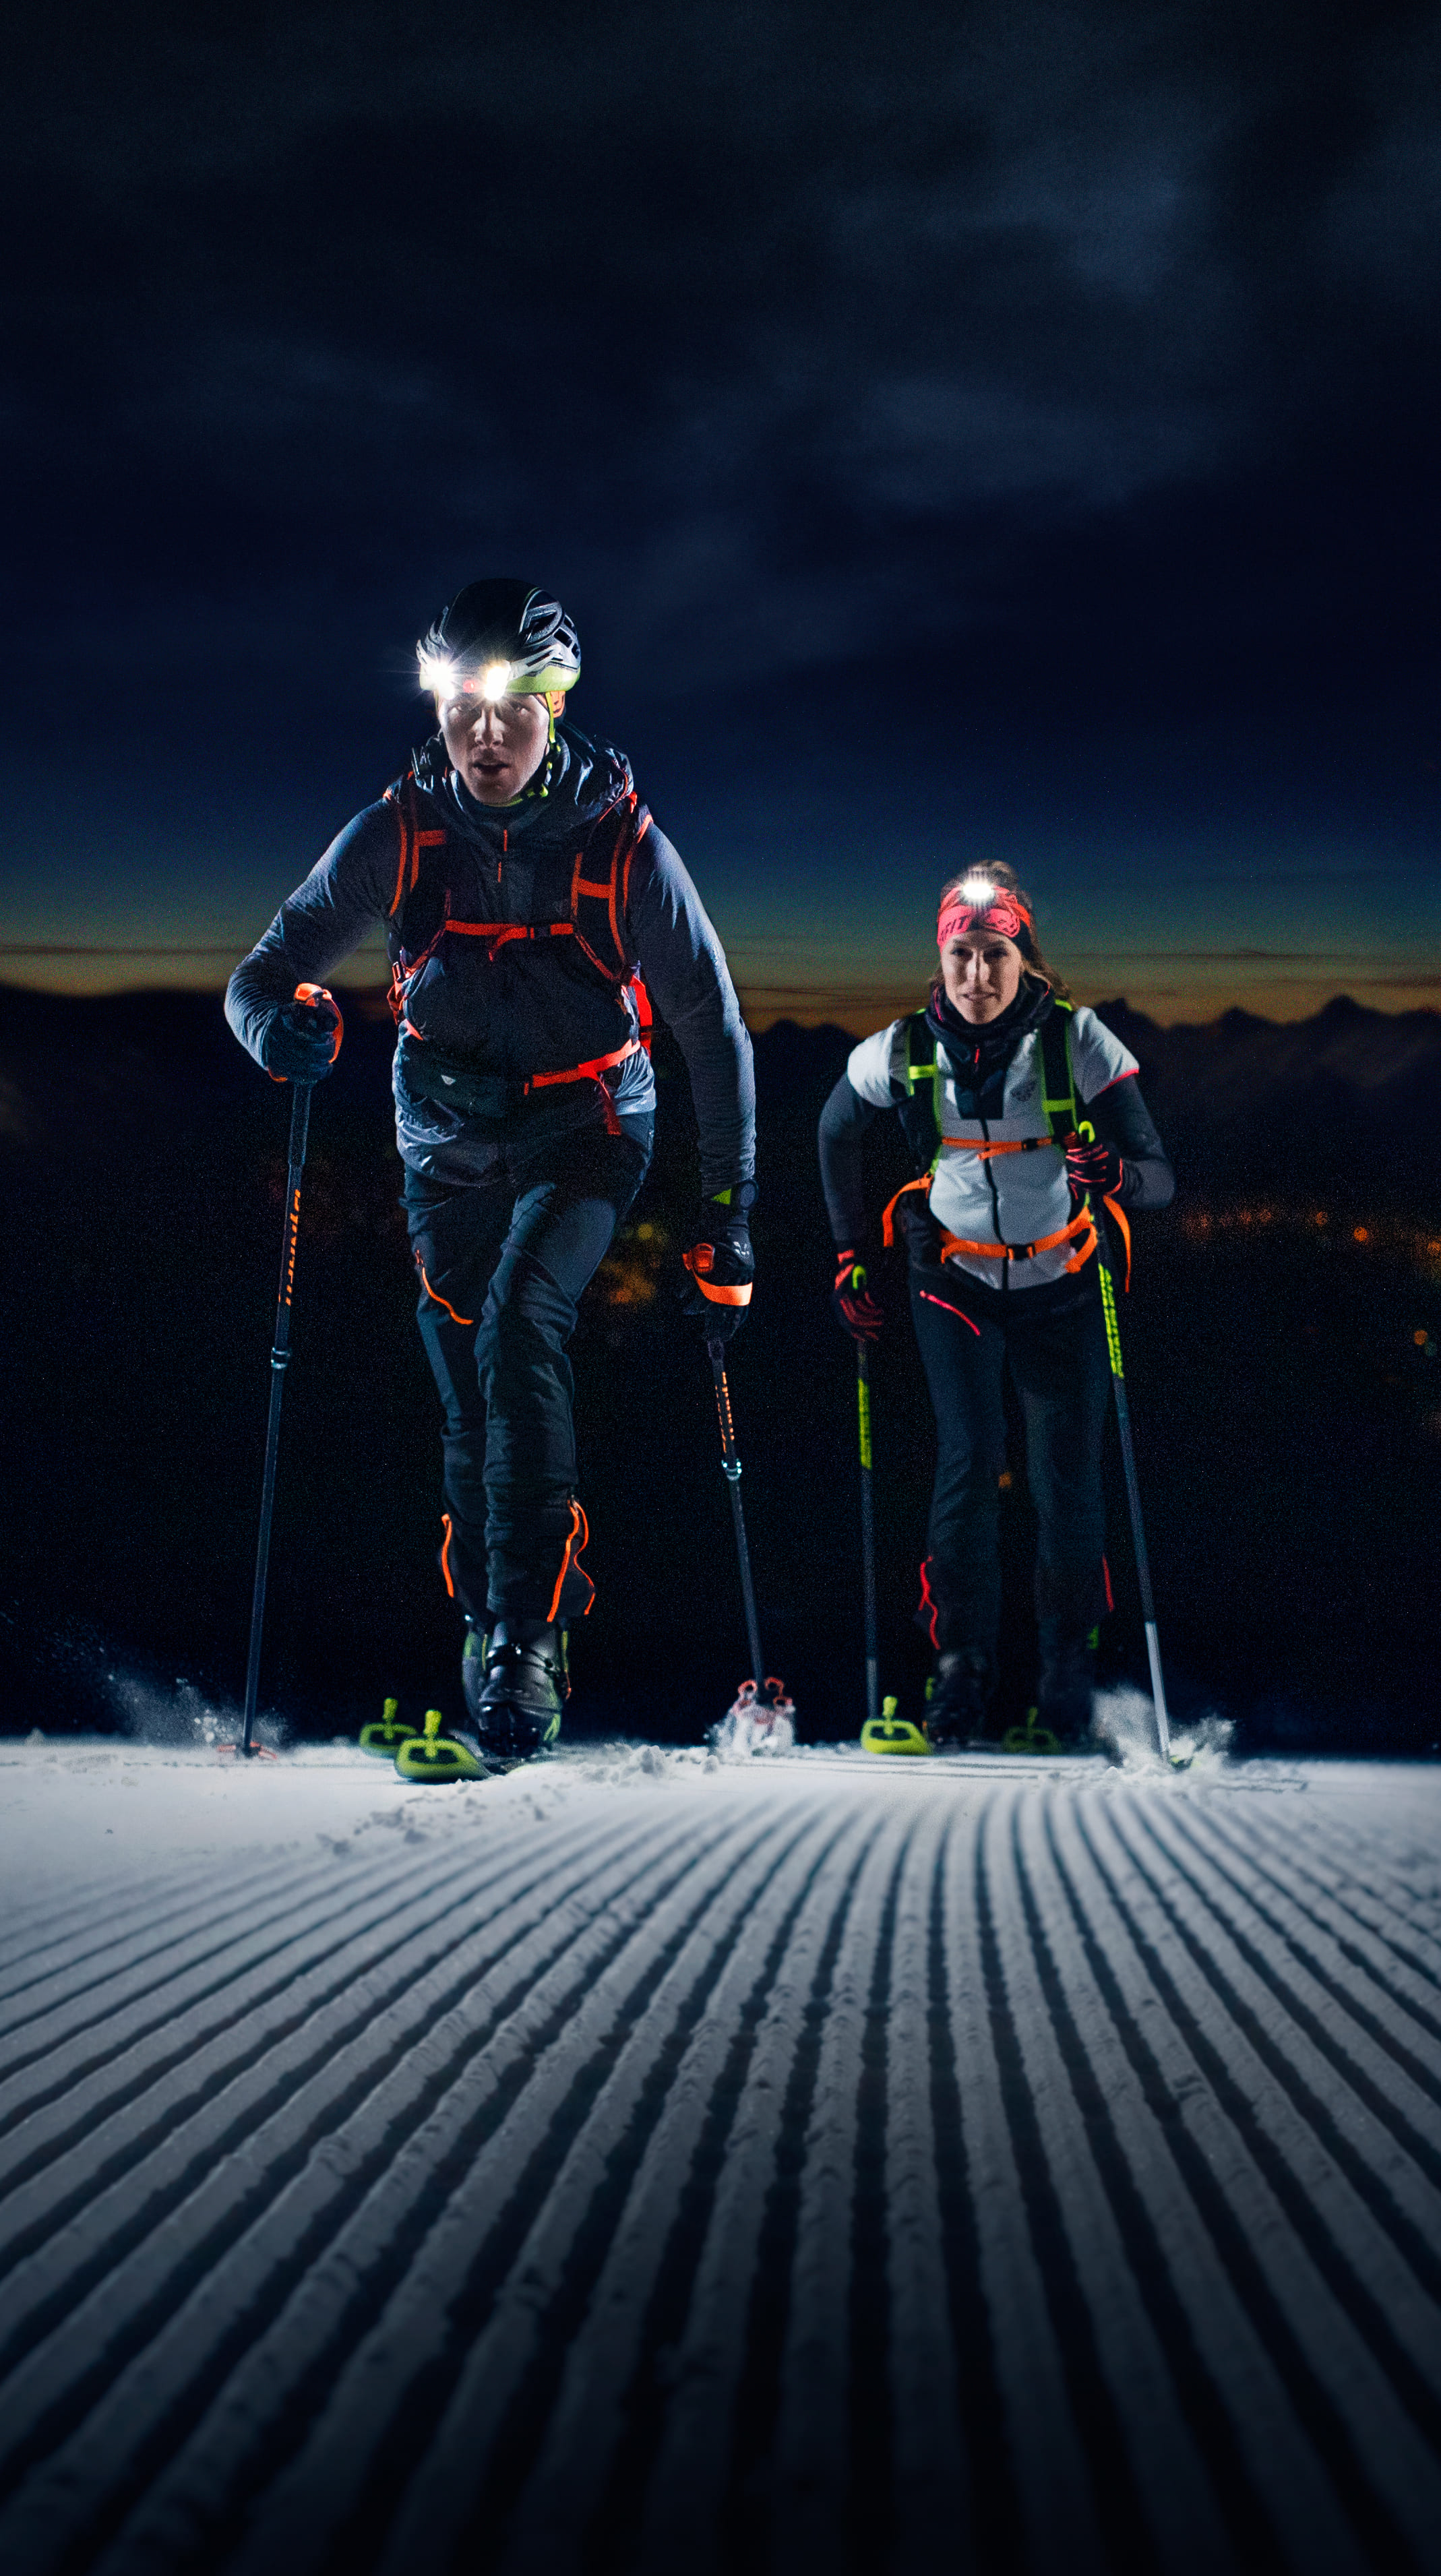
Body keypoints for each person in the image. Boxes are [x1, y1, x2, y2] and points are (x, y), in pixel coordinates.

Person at [226, 579, 755, 1760]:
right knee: (470, 1381)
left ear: (558, 705)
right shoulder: (400, 832)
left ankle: (529, 1639)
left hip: (590, 1133)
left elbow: (710, 1030)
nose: (486, 731)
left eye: (518, 703)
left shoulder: (626, 846)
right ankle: (489, 1622)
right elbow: (260, 975)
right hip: (448, 1145)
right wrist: (278, 1032)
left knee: (523, 1322)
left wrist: (730, 1219)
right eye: (463, 702)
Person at [818, 863, 1173, 1745]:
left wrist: (1116, 1176)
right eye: (960, 955)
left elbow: (1160, 1176)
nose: (976, 975)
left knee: (1063, 1483)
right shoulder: (899, 1051)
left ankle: (1063, 1677)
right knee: (967, 1464)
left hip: (1060, 1284)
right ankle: (958, 1674)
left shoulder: (1075, 1040)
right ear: (939, 957)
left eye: (994, 954)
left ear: (1022, 956)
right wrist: (850, 1256)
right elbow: (832, 1130)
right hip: (953, 1280)